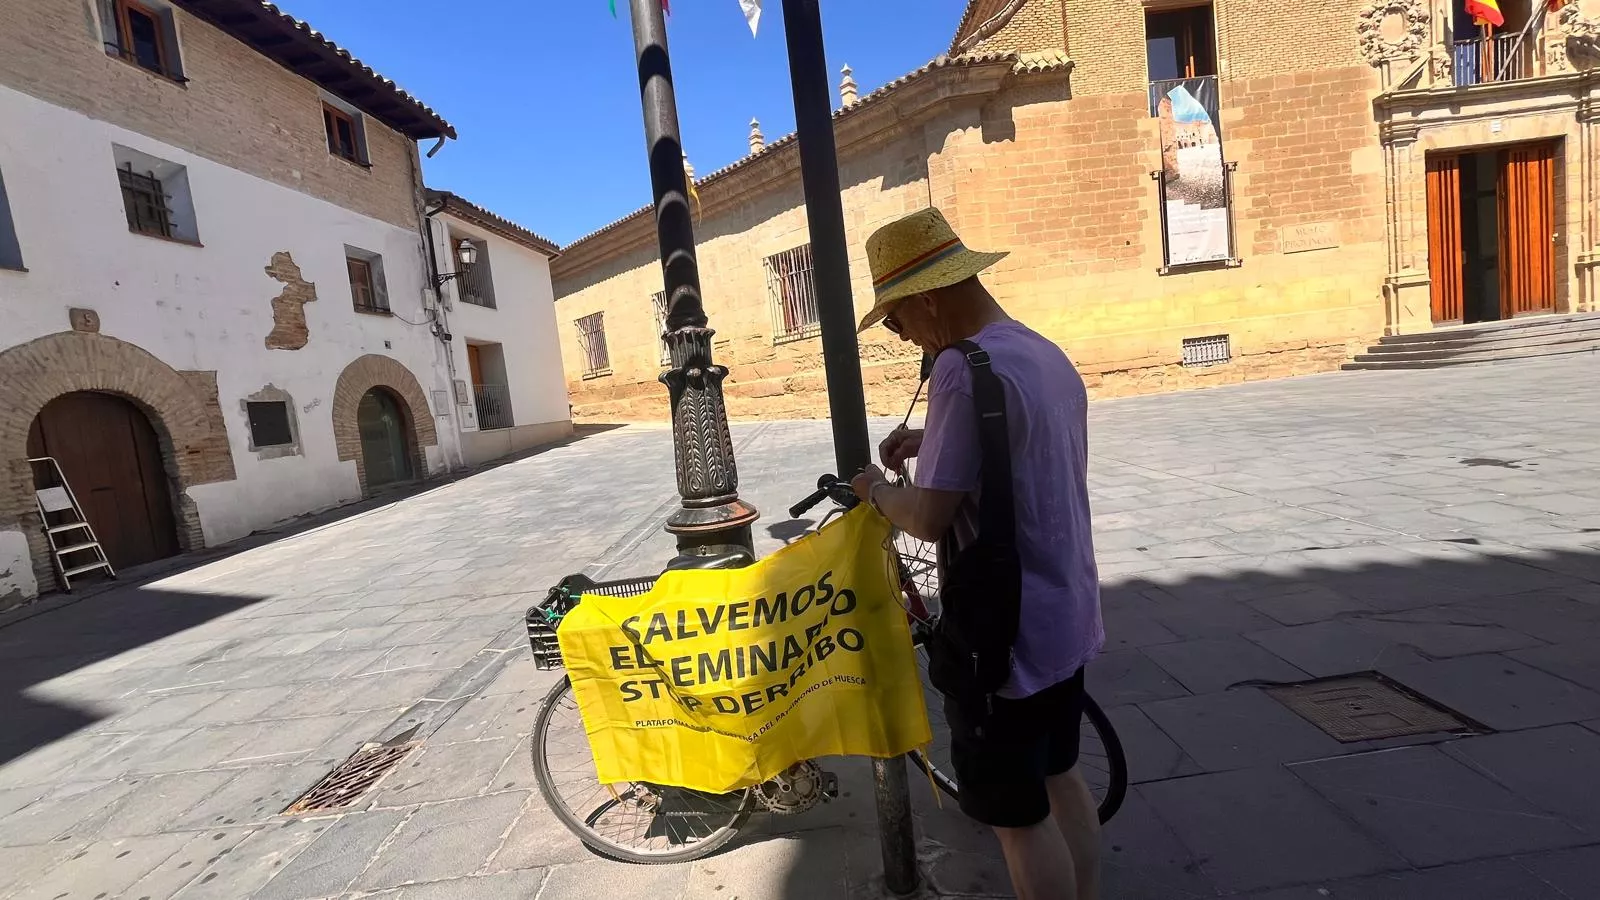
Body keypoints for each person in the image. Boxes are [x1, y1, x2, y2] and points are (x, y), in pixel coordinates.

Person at [849, 208, 1105, 900]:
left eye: (898, 321)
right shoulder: (1041, 352)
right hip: (1065, 610)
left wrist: (876, 490)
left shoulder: (960, 369)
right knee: (1062, 777)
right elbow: (1016, 445)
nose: (904, 337)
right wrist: (933, 440)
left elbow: (930, 518)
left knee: (1018, 821)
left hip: (1004, 634)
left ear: (930, 298)